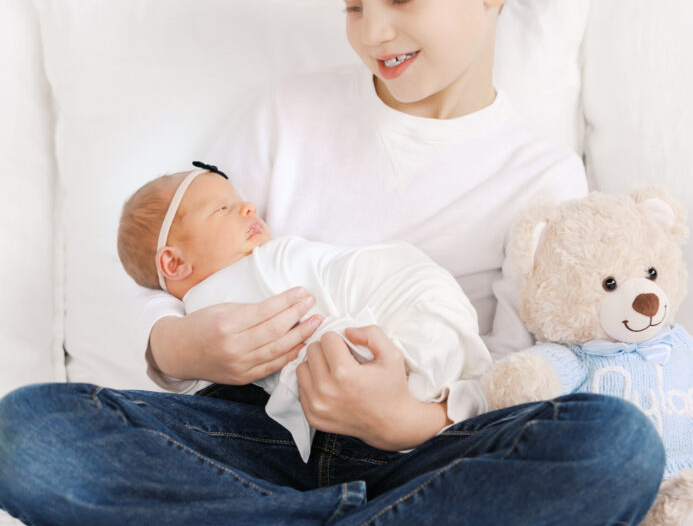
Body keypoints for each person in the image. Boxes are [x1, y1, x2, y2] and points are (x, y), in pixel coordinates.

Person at [0, 0, 665, 526]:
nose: (372, 32)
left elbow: (518, 375)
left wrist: (404, 421)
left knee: (619, 450)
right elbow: (178, 281)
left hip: (424, 442)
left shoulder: (540, 178)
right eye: (350, 4)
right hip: (263, 434)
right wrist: (187, 349)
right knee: (25, 434)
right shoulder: (284, 117)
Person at [117, 163, 492, 461]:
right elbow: (153, 296)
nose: (249, 207)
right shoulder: (220, 291)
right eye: (223, 208)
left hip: (410, 326)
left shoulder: (269, 264)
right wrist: (171, 345)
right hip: (409, 355)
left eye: (240, 201)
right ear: (174, 262)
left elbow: (319, 329)